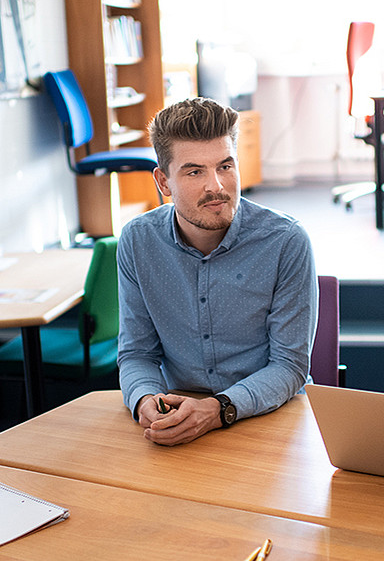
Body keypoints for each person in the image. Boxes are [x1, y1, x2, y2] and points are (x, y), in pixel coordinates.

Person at [117, 97, 318, 445]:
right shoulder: (138, 241)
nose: (217, 186)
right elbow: (137, 353)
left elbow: (289, 365)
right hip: (178, 415)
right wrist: (144, 399)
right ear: (164, 183)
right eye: (195, 171)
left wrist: (216, 410)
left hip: (270, 418)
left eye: (226, 166)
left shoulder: (285, 241)